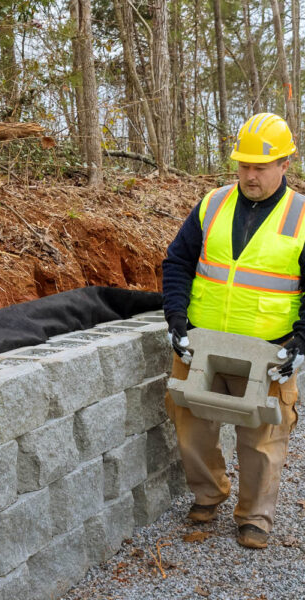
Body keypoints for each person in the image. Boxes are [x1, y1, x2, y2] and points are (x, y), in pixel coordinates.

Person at [162, 113, 304, 549]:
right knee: (190, 423)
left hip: (268, 349)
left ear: (284, 165)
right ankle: (208, 493)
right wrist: (177, 321)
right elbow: (178, 263)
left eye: (260, 167)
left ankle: (255, 516)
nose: (250, 175)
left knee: (262, 436)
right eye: (243, 165)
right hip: (202, 343)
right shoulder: (212, 204)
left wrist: (301, 343)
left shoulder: (301, 216)